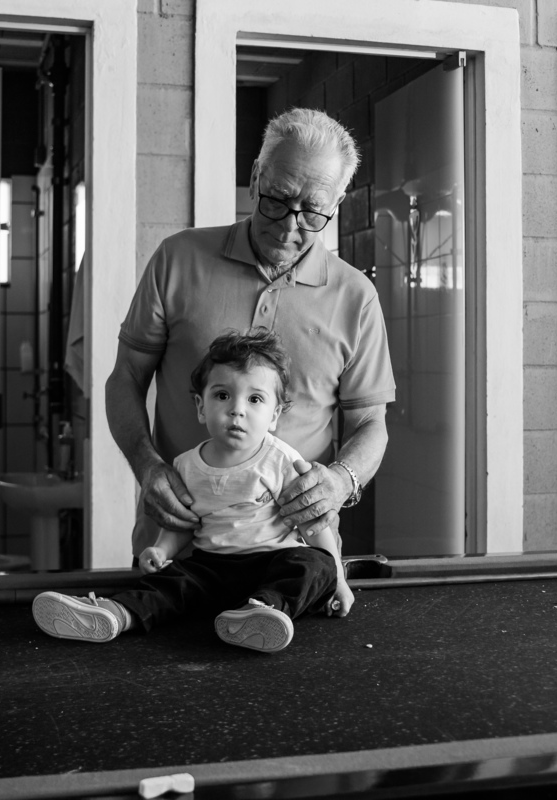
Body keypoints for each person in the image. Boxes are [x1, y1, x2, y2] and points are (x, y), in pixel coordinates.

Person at [106, 107, 395, 618]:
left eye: (313, 211)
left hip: (289, 562)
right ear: (255, 177)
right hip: (177, 554)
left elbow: (371, 423)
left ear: (338, 202)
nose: (291, 225)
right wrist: (147, 467)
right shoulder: (176, 258)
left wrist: (341, 480)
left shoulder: (357, 297)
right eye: (278, 199)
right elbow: (125, 377)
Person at [33, 328, 343, 652]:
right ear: (200, 406)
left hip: (273, 563)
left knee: (315, 565)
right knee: (168, 584)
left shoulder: (283, 461)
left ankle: (262, 613)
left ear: (275, 415)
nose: (237, 409)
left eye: (255, 399)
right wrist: (161, 550)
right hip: (210, 568)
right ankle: (115, 614)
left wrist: (339, 581)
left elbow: (313, 523)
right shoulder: (185, 466)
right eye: (222, 395)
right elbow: (181, 523)